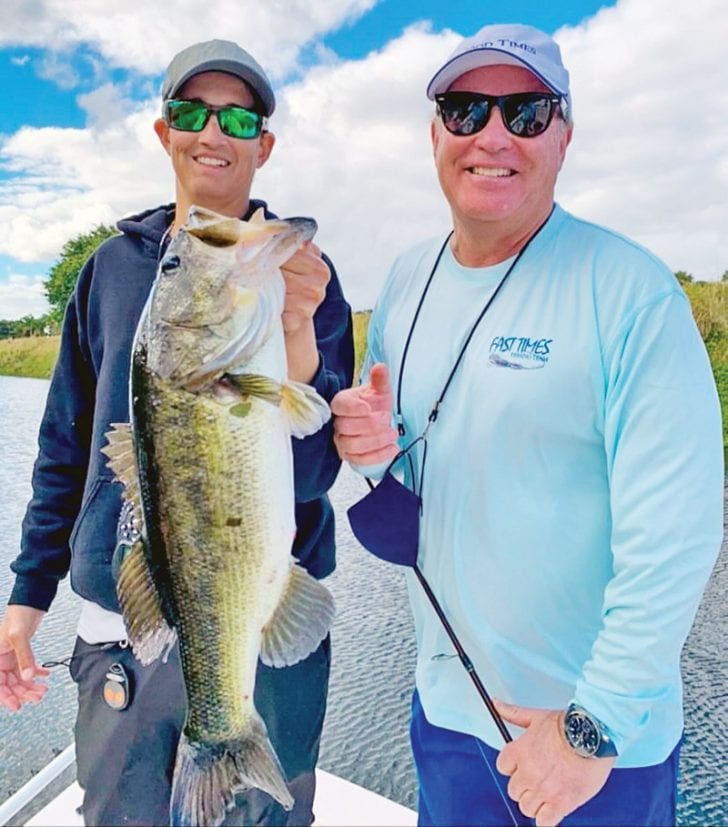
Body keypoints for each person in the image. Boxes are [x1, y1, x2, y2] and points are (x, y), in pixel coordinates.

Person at [332, 22, 723, 827]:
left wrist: (592, 725)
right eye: (466, 109)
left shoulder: (631, 292)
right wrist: (371, 451)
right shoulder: (405, 281)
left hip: (597, 749)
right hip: (447, 713)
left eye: (528, 112)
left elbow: (677, 535)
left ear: (565, 135)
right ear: (436, 132)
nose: (494, 135)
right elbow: (411, 473)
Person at [0, 39, 354, 827]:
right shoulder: (111, 272)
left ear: (264, 143)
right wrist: (27, 596)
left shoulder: (306, 281)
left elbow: (314, 470)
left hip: (262, 627)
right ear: (166, 133)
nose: (213, 131)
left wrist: (297, 333)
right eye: (192, 112)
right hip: (128, 627)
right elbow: (65, 446)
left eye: (237, 116)